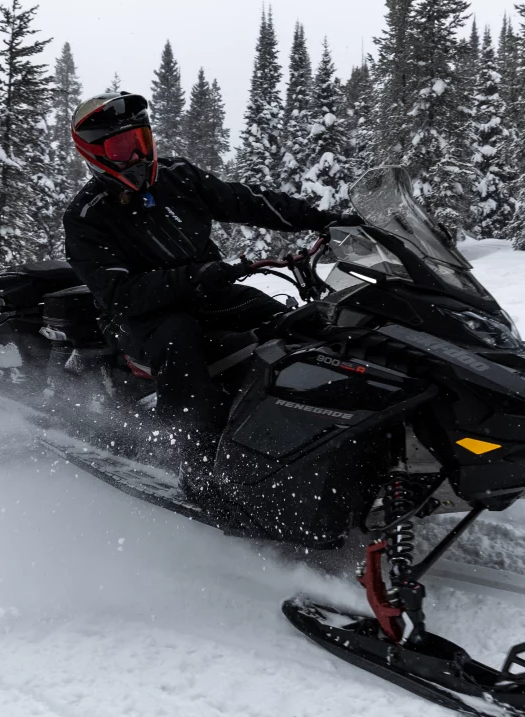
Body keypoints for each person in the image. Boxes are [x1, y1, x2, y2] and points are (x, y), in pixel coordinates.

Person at [63, 91, 359, 472]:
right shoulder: (87, 216)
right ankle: (192, 458)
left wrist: (324, 220)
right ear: (96, 155)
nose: (137, 156)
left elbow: (248, 202)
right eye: (122, 148)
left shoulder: (177, 177)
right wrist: (193, 276)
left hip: (208, 291)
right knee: (179, 339)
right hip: (141, 316)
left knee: (293, 325)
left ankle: (315, 425)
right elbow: (120, 294)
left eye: (141, 141)